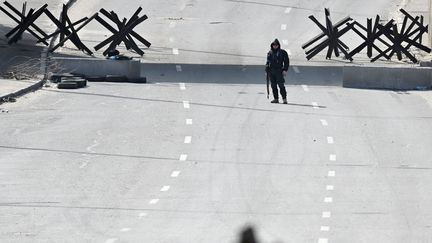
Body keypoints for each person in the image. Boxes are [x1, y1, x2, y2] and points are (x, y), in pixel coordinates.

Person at [265, 39, 289, 104]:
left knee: (281, 85)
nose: (275, 46)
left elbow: (286, 62)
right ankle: (276, 99)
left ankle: (284, 99)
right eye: (274, 45)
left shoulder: (282, 52)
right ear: (272, 46)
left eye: (276, 45)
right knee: (273, 86)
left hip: (279, 71)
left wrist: (285, 70)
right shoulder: (270, 53)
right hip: (271, 71)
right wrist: (266, 70)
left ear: (278, 45)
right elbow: (267, 62)